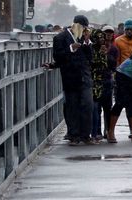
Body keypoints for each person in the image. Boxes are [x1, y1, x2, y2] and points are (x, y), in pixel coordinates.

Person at [53, 15, 96, 146]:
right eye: (83, 27)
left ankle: (85, 135)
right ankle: (74, 135)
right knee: (72, 107)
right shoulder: (60, 38)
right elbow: (58, 57)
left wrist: (88, 43)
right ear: (76, 25)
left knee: (88, 105)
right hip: (70, 78)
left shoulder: (84, 38)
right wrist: (71, 48)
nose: (84, 30)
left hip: (85, 78)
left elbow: (90, 58)